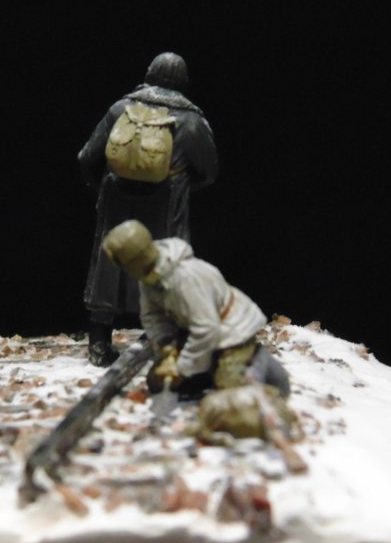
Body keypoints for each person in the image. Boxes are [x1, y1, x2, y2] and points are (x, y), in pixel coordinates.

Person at [79, 52, 218, 366]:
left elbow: (86, 157)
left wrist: (101, 188)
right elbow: (209, 172)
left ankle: (99, 344)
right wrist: (181, 186)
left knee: (109, 264)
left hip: (117, 200)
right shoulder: (191, 120)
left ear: (149, 73)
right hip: (168, 204)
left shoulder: (121, 109)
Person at [101, 220, 290, 399]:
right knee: (158, 381)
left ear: (136, 260)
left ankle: (257, 363)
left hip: (231, 333)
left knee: (232, 395)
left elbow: (207, 328)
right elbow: (153, 315)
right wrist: (167, 346)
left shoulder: (186, 277)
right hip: (196, 333)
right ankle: (210, 371)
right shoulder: (148, 278)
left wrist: (182, 367)